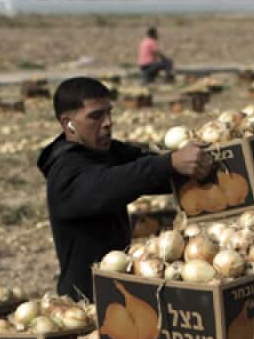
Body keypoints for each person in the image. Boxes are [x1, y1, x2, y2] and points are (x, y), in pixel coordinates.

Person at [37, 77, 212, 300]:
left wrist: (188, 165)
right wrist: (169, 163)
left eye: (109, 113)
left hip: (121, 286)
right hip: (87, 299)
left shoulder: (107, 152)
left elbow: (144, 168)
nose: (108, 122)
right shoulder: (64, 171)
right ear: (68, 123)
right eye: (96, 116)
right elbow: (108, 184)